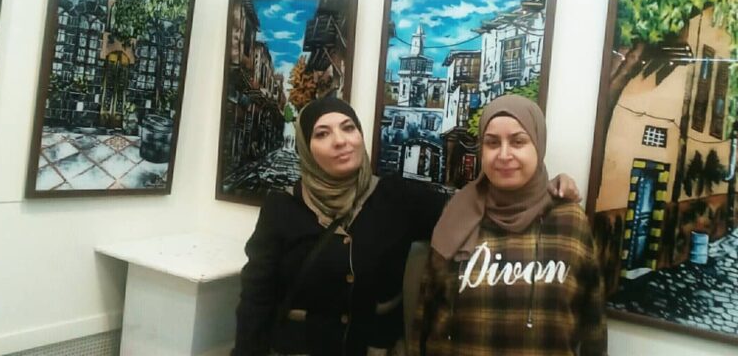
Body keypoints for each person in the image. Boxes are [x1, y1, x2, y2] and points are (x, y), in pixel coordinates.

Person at [232, 97, 581, 356]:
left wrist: (544, 188)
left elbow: (476, 206)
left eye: (349, 128)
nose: (341, 140)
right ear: (307, 148)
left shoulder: (397, 198)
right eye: (323, 133)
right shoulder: (281, 208)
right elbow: (255, 299)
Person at [412, 95, 607, 356]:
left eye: (518, 141)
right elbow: (426, 311)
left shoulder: (569, 221)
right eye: (492, 143)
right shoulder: (457, 214)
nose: (504, 155)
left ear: (538, 144)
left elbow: (593, 324)